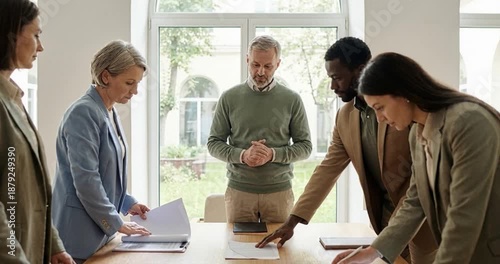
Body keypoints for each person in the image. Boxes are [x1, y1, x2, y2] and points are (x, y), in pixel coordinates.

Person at [257, 37, 437, 263]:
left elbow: (421, 182)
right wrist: (292, 222)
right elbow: (328, 169)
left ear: (360, 71)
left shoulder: (401, 107)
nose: (333, 86)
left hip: (422, 227)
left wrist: (392, 233)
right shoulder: (345, 116)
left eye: (337, 78)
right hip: (382, 225)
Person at [332, 52, 500, 264]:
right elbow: (415, 200)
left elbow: (465, 215)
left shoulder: (468, 121)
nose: (380, 119)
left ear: (403, 93)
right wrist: (373, 251)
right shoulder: (417, 133)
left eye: (380, 108)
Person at [51, 40, 152, 263]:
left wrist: (128, 203)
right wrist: (117, 223)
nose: (135, 91)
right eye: (129, 83)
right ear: (106, 76)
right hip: (76, 234)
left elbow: (107, 174)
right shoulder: (83, 113)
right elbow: (87, 180)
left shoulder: (109, 110)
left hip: (98, 233)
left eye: (137, 83)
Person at [207, 35, 312, 223]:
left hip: (279, 193)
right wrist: (243, 155)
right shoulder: (229, 98)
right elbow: (214, 144)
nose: (261, 72)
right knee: (237, 248)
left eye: (268, 66)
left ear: (278, 64)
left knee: (281, 249)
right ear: (247, 60)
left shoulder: (292, 99)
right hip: (239, 192)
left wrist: (272, 154)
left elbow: (305, 147)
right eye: (255, 65)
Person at [0, 0, 74, 263]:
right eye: (36, 35)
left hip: (30, 249)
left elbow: (34, 189)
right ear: (10, 34)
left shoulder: (12, 96)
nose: (40, 46)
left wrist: (53, 245)